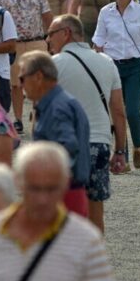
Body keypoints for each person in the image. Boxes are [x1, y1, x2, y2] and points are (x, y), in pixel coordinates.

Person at [0, 142, 115, 281]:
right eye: (34, 188)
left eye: (51, 189)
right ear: (18, 182)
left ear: (65, 183)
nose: (43, 199)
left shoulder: (87, 240)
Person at [48, 15, 128, 232]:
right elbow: (119, 112)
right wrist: (120, 150)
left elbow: (43, 111)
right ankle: (94, 261)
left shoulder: (53, 65)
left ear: (66, 33)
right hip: (99, 143)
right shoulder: (106, 62)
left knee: (63, 211)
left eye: (51, 34)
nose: (48, 40)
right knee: (95, 213)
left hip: (65, 145)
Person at [92, 0, 140, 170]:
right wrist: (96, 59)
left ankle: (138, 146)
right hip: (111, 66)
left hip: (133, 66)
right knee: (116, 112)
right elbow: (98, 40)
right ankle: (124, 157)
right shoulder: (106, 12)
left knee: (131, 110)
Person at [18, 51, 93, 217]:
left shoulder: (57, 109)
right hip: (66, 192)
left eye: (22, 78)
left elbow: (67, 147)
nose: (21, 85)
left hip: (61, 196)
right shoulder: (60, 102)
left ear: (38, 76)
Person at [0, 0, 52, 133]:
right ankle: (18, 119)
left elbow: (47, 16)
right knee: (15, 84)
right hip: (14, 44)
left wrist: (49, 39)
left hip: (36, 41)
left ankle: (37, 117)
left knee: (39, 81)